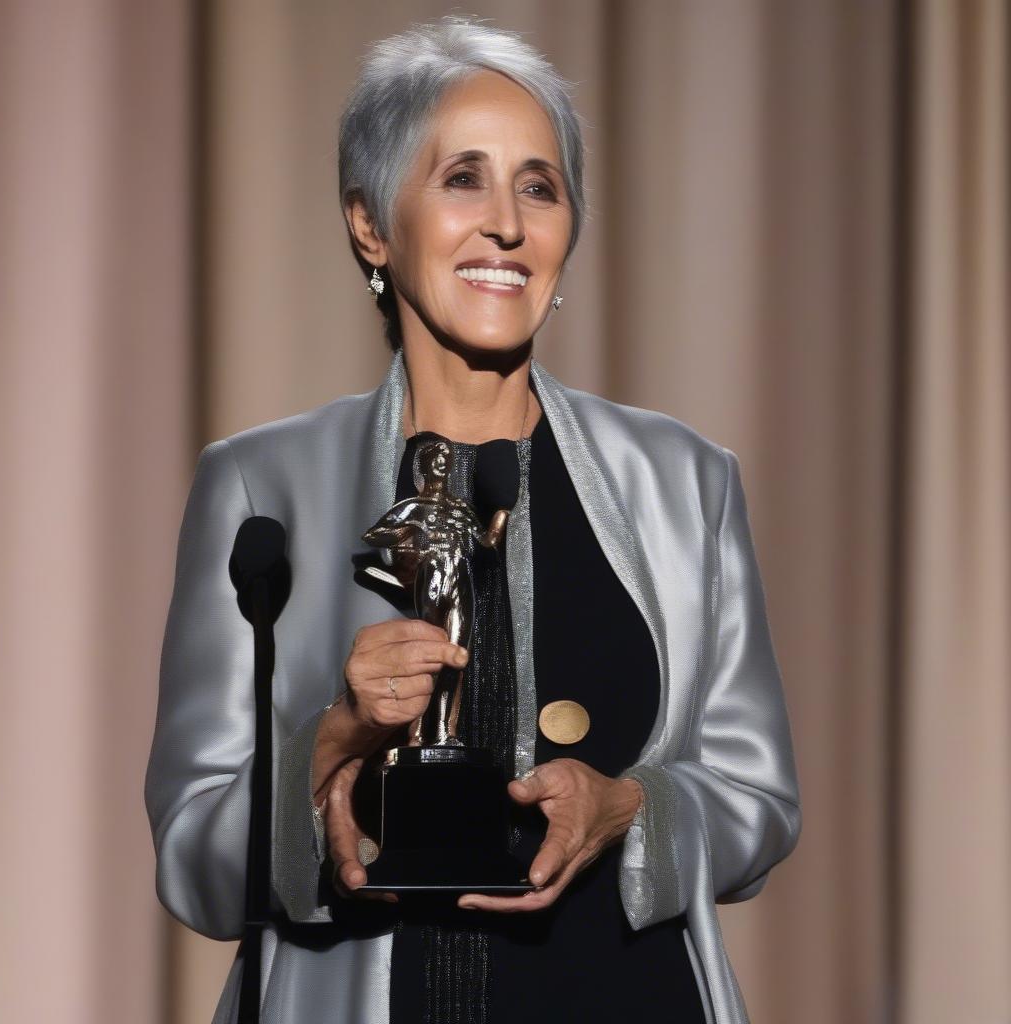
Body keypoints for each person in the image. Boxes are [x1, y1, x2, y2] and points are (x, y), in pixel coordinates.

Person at [144, 15, 802, 1024]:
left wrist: (631, 809)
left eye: (539, 185)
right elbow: (193, 861)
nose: (507, 222)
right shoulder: (256, 485)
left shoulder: (685, 481)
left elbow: (759, 805)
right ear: (370, 223)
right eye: (463, 178)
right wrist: (335, 736)